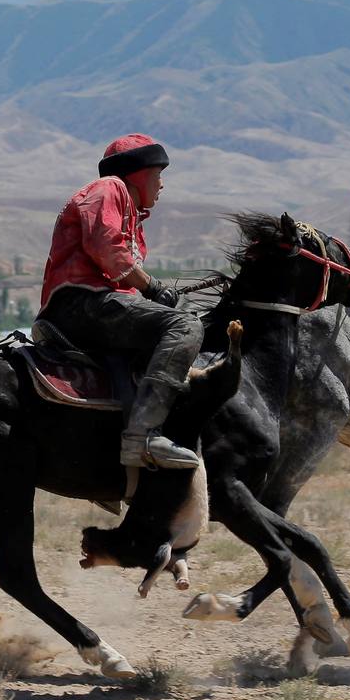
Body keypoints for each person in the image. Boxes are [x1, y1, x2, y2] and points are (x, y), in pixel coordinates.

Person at [36, 134, 203, 469]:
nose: (162, 184)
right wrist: (152, 287)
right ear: (138, 174)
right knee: (186, 326)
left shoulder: (128, 208)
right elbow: (108, 249)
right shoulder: (110, 188)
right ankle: (144, 436)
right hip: (82, 305)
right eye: (158, 174)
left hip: (93, 304)